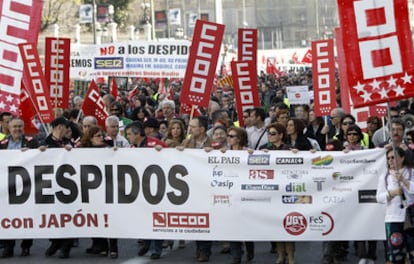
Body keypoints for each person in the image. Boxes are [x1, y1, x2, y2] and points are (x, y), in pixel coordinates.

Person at [125, 121, 167, 260]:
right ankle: (147, 243)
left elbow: (171, 157)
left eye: (130, 134)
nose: (128, 137)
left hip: (156, 186)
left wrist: (163, 151)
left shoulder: (154, 144)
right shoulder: (132, 147)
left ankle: (157, 249)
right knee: (143, 217)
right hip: (140, 187)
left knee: (156, 217)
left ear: (137, 134)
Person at [0, 117, 39, 258]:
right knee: (8, 217)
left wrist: (32, 152)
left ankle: (26, 246)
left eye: (19, 126)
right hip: (7, 187)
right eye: (14, 126)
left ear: (23, 128)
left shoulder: (32, 142)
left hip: (27, 185)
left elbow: (41, 157)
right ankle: (8, 247)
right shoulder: (2, 144)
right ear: (9, 129)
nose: (17, 129)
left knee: (27, 215)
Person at [259, 123, 294, 264]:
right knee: (276, 225)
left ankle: (291, 256)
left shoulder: (289, 149)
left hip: (287, 189)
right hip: (271, 191)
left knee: (288, 224)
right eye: (269, 133)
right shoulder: (263, 149)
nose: (270, 136)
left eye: (273, 133)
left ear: (281, 135)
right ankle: (280, 255)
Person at [179, 116, 213, 262]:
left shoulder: (213, 143)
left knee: (207, 218)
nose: (190, 129)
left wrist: (216, 152)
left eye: (193, 127)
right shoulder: (187, 142)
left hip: (209, 186)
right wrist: (178, 150)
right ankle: (200, 247)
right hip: (192, 186)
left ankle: (205, 250)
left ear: (202, 129)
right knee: (198, 218)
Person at [42, 117, 74, 259]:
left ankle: (66, 247)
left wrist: (71, 151)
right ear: (59, 127)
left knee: (69, 216)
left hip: (69, 186)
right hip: (51, 185)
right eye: (65, 127)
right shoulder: (45, 143)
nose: (67, 130)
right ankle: (55, 242)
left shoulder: (68, 142)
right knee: (54, 216)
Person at [377, 147, 414, 263]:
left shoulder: (411, 172)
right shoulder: (385, 176)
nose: (390, 160)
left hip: (410, 218)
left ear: (402, 158)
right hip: (393, 218)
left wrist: (404, 180)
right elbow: (379, 197)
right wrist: (392, 193)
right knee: (396, 251)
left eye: (393, 157)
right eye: (388, 158)